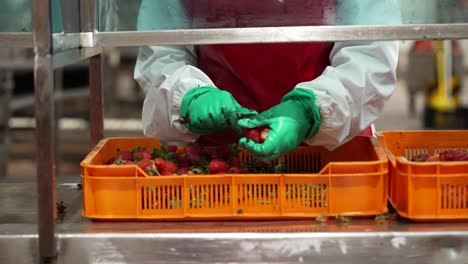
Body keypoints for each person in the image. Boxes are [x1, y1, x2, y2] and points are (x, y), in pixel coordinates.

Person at [134, 0, 401, 162]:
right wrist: (189, 96)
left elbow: (369, 56)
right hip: (220, 161)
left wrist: (309, 111)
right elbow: (163, 53)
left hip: (333, 155)